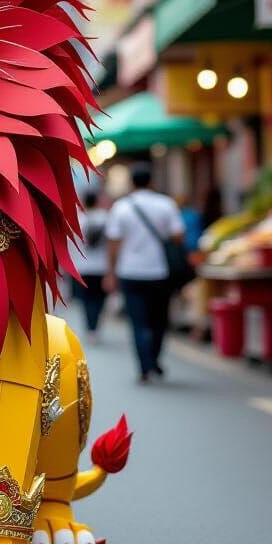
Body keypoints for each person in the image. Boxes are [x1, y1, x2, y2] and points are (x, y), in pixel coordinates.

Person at [104, 162, 185, 382]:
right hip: (159, 271)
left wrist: (110, 272)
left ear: (132, 182)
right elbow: (178, 236)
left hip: (129, 271)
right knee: (159, 320)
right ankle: (154, 360)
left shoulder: (121, 207)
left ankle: (144, 366)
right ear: (151, 181)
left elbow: (114, 243)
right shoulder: (166, 204)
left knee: (138, 322)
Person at [68, 189, 109, 339]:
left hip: (82, 266)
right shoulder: (106, 218)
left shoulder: (78, 219)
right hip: (102, 267)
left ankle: (90, 328)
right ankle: (95, 326)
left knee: (86, 300)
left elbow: (70, 244)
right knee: (100, 298)